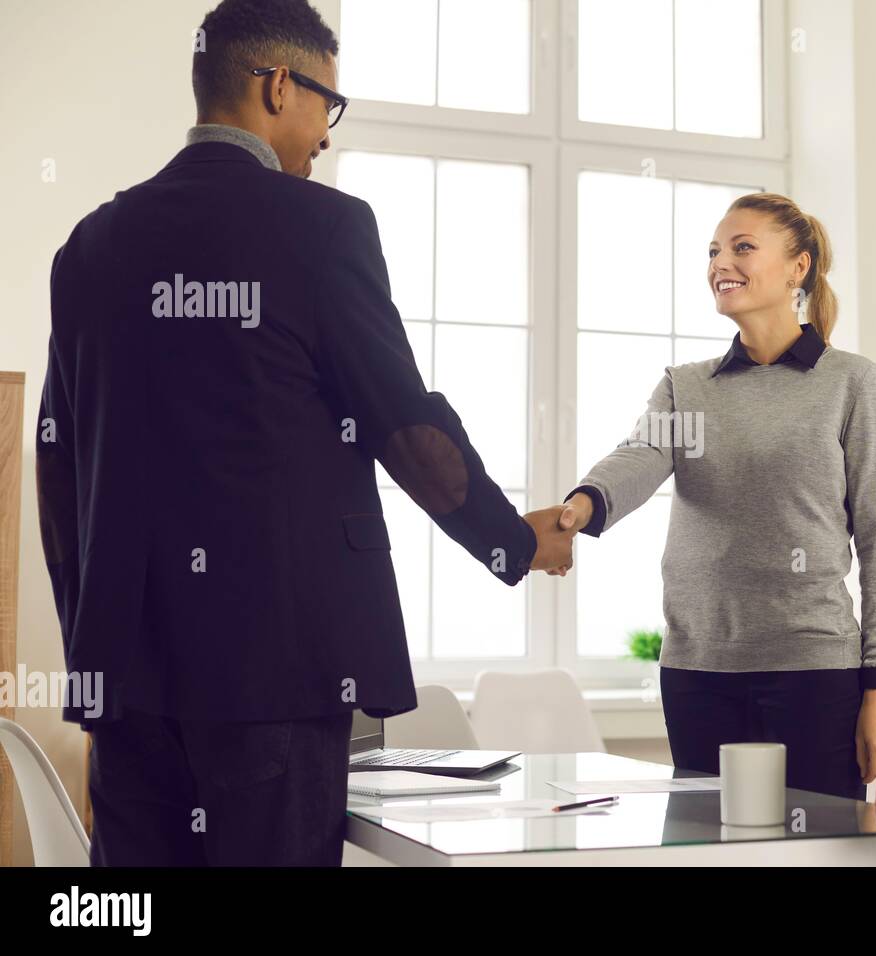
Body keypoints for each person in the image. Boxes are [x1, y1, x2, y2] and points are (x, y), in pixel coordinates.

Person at [35, 0, 574, 866]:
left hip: (126, 680)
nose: (325, 133)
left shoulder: (91, 245)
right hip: (275, 675)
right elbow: (406, 428)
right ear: (279, 86)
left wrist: (93, 644)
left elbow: (58, 463)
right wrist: (513, 541)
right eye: (329, 103)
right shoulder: (322, 227)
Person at [553, 193, 876, 801]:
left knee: (818, 845)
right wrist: (579, 507)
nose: (720, 263)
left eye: (742, 248)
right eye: (713, 251)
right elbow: (639, 457)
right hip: (697, 671)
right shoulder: (686, 386)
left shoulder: (851, 382)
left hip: (814, 671)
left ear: (798, 267)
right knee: (704, 844)